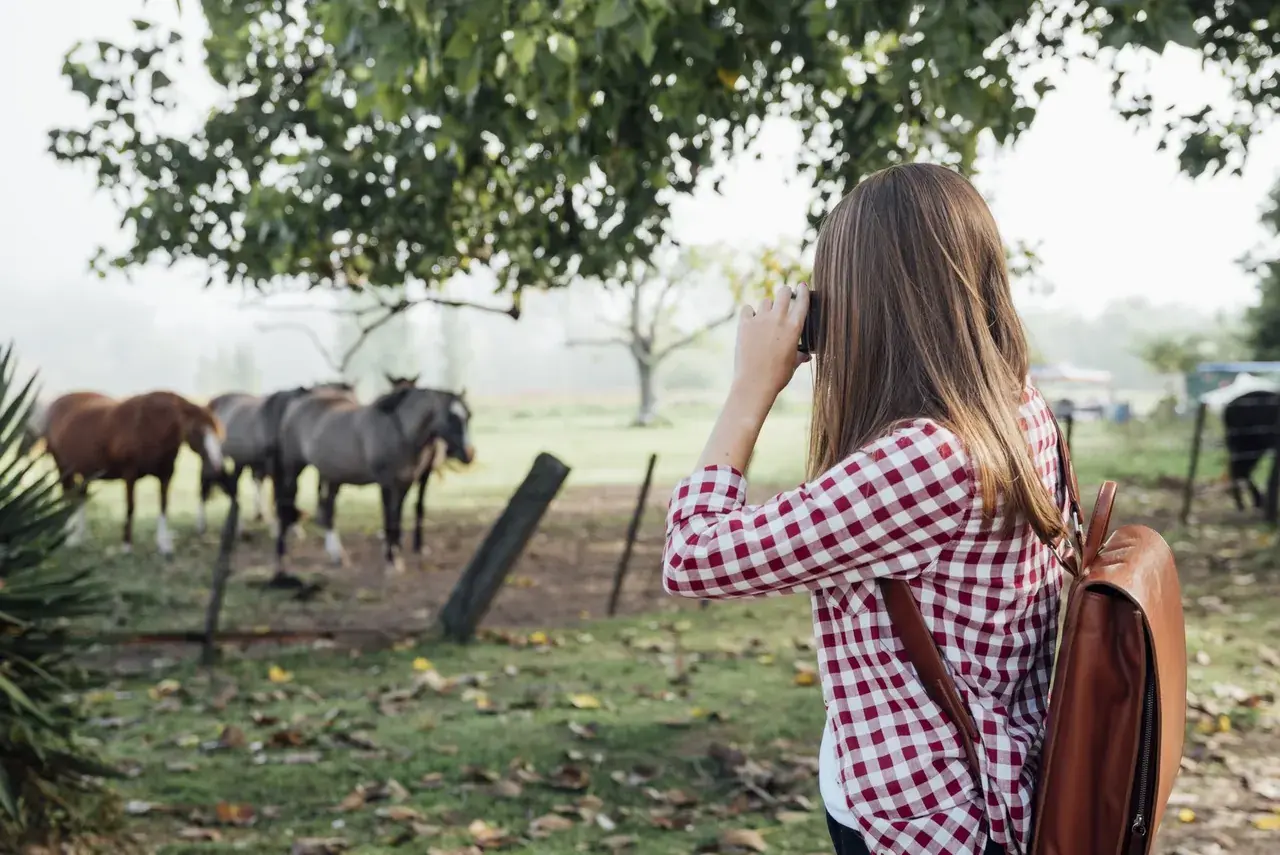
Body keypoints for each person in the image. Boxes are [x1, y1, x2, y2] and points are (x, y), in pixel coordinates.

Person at [662, 163, 1068, 855]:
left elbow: (692, 555)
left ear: (870, 301)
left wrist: (749, 389)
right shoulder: (1018, 408)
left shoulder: (924, 460)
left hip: (926, 817)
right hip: (995, 787)